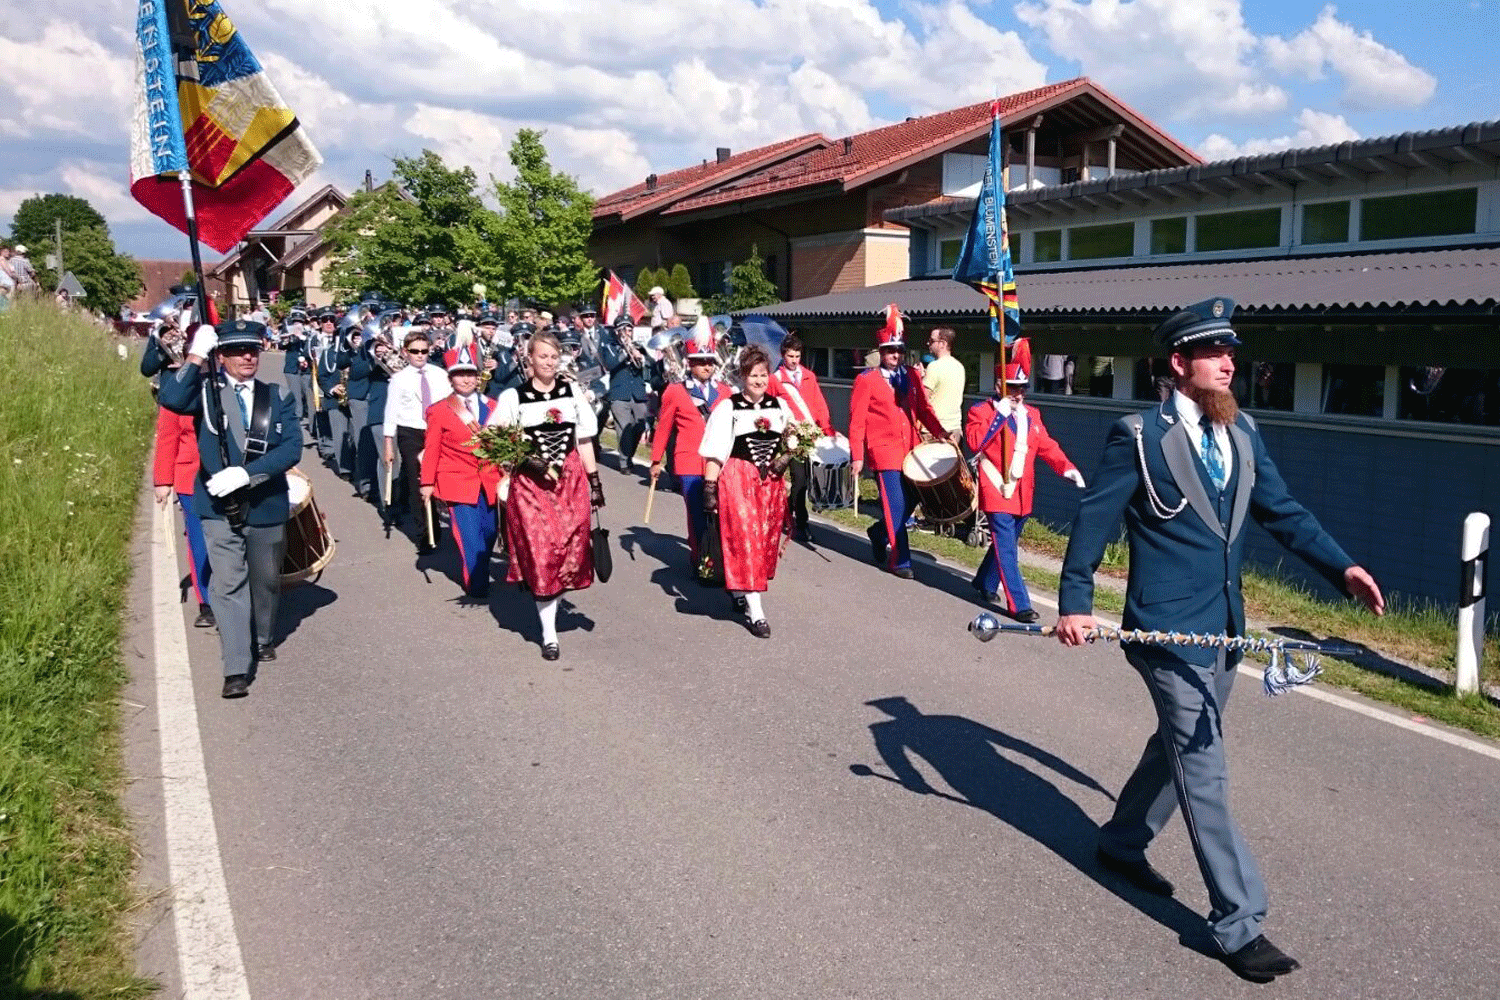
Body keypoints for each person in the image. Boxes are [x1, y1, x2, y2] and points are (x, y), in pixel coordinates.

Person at [1055, 296, 1385, 981]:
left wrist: (1341, 566)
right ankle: (1239, 922)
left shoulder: (1242, 434)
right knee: (1203, 765)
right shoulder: (1138, 437)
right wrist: (1075, 603)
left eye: (1231, 351)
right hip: (1166, 630)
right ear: (1179, 363)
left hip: (1226, 627)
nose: (1229, 361)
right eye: (1213, 351)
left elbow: (1282, 511)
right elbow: (1093, 521)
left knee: (1175, 749)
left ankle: (1121, 840)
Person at [157, 320, 302, 699]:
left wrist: (247, 473)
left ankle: (263, 635)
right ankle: (236, 666)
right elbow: (170, 399)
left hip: (265, 501)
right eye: (237, 350)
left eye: (252, 349)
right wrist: (194, 355)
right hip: (217, 505)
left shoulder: (278, 394)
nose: (247, 356)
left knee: (266, 580)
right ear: (221, 356)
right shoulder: (204, 393)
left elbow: (291, 450)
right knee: (227, 583)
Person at [486, 331, 606, 660]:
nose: (549, 363)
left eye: (554, 357)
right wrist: (526, 458)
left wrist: (594, 481)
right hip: (531, 485)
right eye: (543, 357)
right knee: (541, 552)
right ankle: (549, 632)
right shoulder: (514, 397)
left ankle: (554, 600)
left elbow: (584, 441)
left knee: (571, 546)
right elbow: (496, 441)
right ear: (530, 359)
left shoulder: (571, 394)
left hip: (569, 479)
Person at [966, 361, 1084, 620]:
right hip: (996, 487)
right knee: (1008, 549)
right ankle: (1019, 604)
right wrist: (999, 416)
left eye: (1022, 388)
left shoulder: (1032, 414)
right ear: (999, 386)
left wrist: (1067, 468)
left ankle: (985, 583)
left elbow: (1046, 446)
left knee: (1005, 543)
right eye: (1013, 388)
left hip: (1022, 492)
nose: (1018, 394)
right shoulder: (981, 411)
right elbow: (976, 442)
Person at [848, 305, 952, 579]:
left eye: (899, 351)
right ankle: (900, 561)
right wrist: (857, 456)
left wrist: (940, 432)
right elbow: (857, 421)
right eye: (890, 351)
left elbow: (924, 410)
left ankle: (879, 532)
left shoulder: (912, 376)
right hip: (884, 452)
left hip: (911, 449)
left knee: (912, 501)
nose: (895, 356)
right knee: (895, 506)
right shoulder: (866, 380)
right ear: (881, 352)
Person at [700, 346, 789, 638]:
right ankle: (757, 613)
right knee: (747, 539)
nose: (760, 380)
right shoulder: (729, 407)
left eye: (764, 374)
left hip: (770, 484)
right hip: (738, 479)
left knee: (762, 542)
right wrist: (710, 488)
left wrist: (785, 459)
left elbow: (796, 441)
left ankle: (738, 589)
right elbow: (714, 452)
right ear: (742, 376)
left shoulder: (779, 407)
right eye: (753, 375)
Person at [421, 345, 500, 600]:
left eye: (470, 373)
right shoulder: (439, 410)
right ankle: (477, 584)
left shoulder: (493, 406)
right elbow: (431, 449)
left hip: (489, 481)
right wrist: (427, 482)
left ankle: (481, 568)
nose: (466, 379)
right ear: (450, 378)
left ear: (478, 377)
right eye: (460, 374)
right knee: (469, 536)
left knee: (489, 533)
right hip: (456, 480)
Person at [649, 318, 722, 563]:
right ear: (689, 363)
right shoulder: (675, 391)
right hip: (689, 462)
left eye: (709, 362)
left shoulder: (725, 392)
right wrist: (656, 460)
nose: (706, 367)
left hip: (719, 463)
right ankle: (700, 557)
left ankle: (718, 555)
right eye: (700, 362)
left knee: (720, 512)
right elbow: (664, 427)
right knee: (697, 514)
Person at [383, 330, 452, 554]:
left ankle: (441, 521)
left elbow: (451, 402)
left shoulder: (440, 374)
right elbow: (391, 412)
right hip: (410, 431)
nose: (420, 355)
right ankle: (426, 533)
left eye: (424, 351)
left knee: (439, 477)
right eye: (415, 351)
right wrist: (388, 444)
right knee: (417, 480)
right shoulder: (398, 379)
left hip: (436, 430)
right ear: (406, 352)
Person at [153, 402, 214, 628]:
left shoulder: (231, 379)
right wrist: (163, 480)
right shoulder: (179, 392)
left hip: (232, 477)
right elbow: (168, 437)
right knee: (200, 543)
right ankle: (207, 603)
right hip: (192, 477)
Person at [768, 332, 833, 542]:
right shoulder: (775, 380)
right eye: (790, 356)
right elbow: (770, 407)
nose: (794, 361)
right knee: (797, 480)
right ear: (783, 355)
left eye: (797, 356)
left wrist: (826, 427)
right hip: (789, 437)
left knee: (803, 482)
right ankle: (796, 520)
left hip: (809, 435)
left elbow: (819, 403)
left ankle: (790, 514)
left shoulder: (809, 376)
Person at [600, 316, 654, 474]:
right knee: (623, 429)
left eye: (629, 329)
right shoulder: (609, 346)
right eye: (623, 329)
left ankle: (628, 456)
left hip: (638, 393)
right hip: (619, 393)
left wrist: (642, 358)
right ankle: (624, 463)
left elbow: (650, 367)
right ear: (617, 331)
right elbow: (610, 364)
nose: (627, 332)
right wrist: (626, 352)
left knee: (639, 427)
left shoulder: (639, 346)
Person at [920, 327, 966, 437]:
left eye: (931, 341)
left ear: (942, 344)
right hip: (954, 429)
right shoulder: (959, 366)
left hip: (934, 430)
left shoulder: (934, 366)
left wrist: (919, 379)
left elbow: (923, 398)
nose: (928, 343)